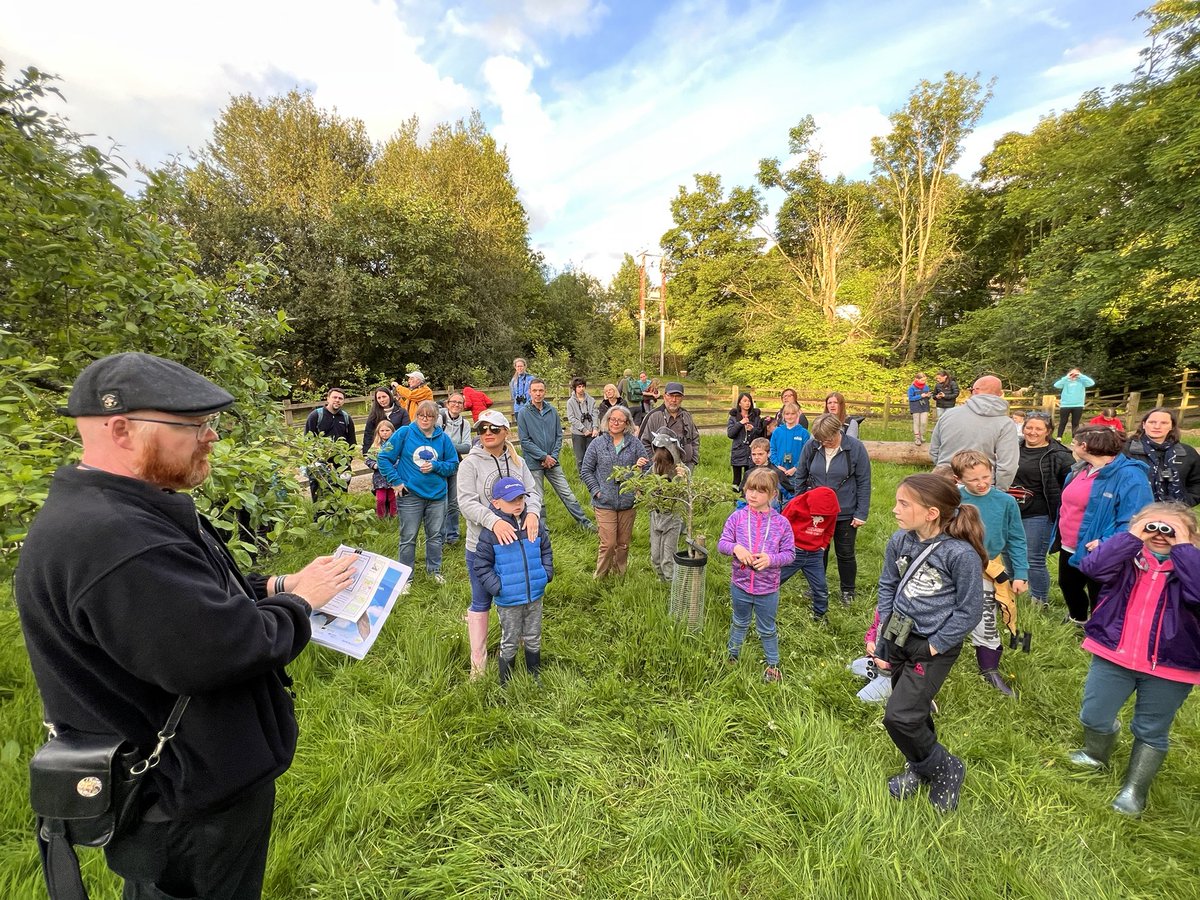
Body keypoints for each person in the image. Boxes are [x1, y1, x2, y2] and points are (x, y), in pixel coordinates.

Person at [14, 352, 357, 899]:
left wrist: (276, 586)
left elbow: (190, 601)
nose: (212, 437)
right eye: (194, 426)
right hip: (183, 802)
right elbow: (219, 649)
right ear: (122, 430)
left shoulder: (127, 508)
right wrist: (301, 606)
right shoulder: (114, 539)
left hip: (186, 791)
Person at [1068, 502, 1200, 816]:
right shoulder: (1129, 558)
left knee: (1151, 729)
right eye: (1151, 527)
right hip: (1113, 654)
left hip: (1171, 666)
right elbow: (1091, 568)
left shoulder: (1192, 566)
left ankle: (1133, 791)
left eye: (1170, 530)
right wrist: (1131, 537)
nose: (1159, 535)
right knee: (1093, 715)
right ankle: (1095, 754)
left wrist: (1182, 549)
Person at [877, 473, 987, 813]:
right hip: (899, 638)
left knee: (899, 717)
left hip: (933, 647)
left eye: (903, 503)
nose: (895, 509)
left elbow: (969, 611)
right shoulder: (900, 540)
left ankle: (945, 769)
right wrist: (885, 630)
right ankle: (919, 765)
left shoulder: (959, 555)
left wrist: (935, 646)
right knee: (914, 709)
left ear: (931, 513)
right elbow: (887, 585)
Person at [456, 410, 541, 678]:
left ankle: (521, 648)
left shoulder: (518, 462)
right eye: (482, 429)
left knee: (518, 599)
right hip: (483, 546)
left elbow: (534, 492)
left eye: (494, 428)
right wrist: (493, 521)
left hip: (518, 547)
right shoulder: (470, 464)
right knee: (481, 601)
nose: (488, 433)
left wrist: (533, 513)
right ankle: (478, 665)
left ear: (506, 431)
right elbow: (466, 502)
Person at [1054, 425, 1154, 624]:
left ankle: (1100, 631)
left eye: (1074, 442)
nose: (1071, 445)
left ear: (1085, 446)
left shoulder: (1131, 476)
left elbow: (1137, 517)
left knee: (1099, 592)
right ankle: (1078, 618)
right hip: (1071, 543)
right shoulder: (1080, 469)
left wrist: (1107, 542)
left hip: (1102, 548)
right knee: (1068, 585)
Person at [952, 450, 1029, 697]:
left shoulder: (1005, 502)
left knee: (986, 615)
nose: (982, 483)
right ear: (959, 478)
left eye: (986, 476)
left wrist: (1020, 573)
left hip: (988, 569)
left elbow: (1016, 538)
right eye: (974, 479)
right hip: (954, 565)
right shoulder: (953, 499)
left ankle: (989, 669)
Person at [471, 477, 553, 686]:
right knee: (510, 639)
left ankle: (534, 674)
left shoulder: (533, 524)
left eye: (520, 499)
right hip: (508, 600)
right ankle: (505, 681)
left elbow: (546, 549)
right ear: (496, 503)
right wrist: (498, 588)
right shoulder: (491, 534)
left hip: (535, 594)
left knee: (533, 635)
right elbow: (481, 565)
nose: (518, 504)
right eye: (511, 500)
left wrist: (546, 573)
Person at [719, 468, 796, 683]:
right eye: (750, 489)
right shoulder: (737, 518)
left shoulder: (782, 524)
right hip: (740, 585)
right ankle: (732, 656)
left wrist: (771, 560)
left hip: (768, 588)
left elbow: (790, 554)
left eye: (760, 491)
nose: (753, 495)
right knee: (739, 621)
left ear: (773, 495)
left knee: (767, 628)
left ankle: (773, 665)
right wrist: (736, 548)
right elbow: (722, 543)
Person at [377, 400, 459, 589]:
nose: (425, 419)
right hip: (410, 495)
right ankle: (406, 578)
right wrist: (396, 481)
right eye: (421, 415)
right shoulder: (404, 433)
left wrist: (436, 466)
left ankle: (434, 571)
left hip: (437, 496)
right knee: (408, 536)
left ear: (436, 418)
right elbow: (384, 457)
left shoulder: (443, 438)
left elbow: (453, 464)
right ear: (416, 416)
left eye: (429, 416)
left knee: (435, 535)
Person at [793, 413, 871, 606]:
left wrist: (861, 513)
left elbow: (864, 482)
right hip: (818, 513)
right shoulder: (811, 447)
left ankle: (848, 590)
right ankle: (817, 588)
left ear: (839, 431)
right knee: (818, 552)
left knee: (845, 552)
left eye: (828, 439)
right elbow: (800, 477)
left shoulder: (855, 448)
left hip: (845, 511)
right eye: (820, 440)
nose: (824, 443)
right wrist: (800, 506)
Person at [1009, 411, 1074, 610]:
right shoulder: (1011, 447)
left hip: (1039, 513)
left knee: (1033, 558)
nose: (1033, 432)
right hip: (1010, 510)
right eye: (1029, 427)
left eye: (1039, 428)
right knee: (1009, 554)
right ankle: (1013, 594)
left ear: (1048, 431)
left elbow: (1070, 484)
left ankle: (1039, 601)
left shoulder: (1060, 455)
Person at [581, 406, 650, 578]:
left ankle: (619, 575)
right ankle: (600, 576)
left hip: (628, 502)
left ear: (627, 423)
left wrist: (640, 470)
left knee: (623, 543)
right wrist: (597, 491)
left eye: (620, 420)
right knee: (609, 543)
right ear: (607, 420)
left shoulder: (634, 444)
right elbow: (586, 470)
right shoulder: (598, 443)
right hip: (604, 502)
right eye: (612, 419)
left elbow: (648, 469)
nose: (616, 422)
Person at [517, 378, 595, 531]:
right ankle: (542, 529)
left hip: (553, 461)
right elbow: (524, 441)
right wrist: (543, 457)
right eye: (535, 391)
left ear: (545, 392)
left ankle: (585, 523)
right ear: (529, 392)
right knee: (537, 498)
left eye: (541, 390)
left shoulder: (551, 411)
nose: (538, 394)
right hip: (534, 463)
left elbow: (559, 435)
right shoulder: (524, 413)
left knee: (568, 494)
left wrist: (552, 456)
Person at [929, 375, 1020, 490]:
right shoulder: (1006, 423)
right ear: (1000, 394)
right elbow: (1008, 465)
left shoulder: (949, 414)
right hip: (981, 488)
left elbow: (934, 451)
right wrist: (999, 491)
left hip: (944, 484)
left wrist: (946, 470)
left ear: (975, 391)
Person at [779, 486, 839, 621]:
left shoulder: (832, 510)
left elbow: (829, 530)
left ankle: (819, 615)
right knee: (774, 580)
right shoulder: (797, 503)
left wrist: (823, 546)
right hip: (794, 551)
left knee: (820, 587)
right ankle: (760, 604)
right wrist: (783, 545)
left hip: (815, 555)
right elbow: (782, 524)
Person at [1123, 407, 1200, 506]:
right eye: (1152, 422)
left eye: (1164, 423)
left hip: (1175, 512)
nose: (1157, 426)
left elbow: (1197, 482)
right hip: (1133, 511)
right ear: (1144, 424)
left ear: (1172, 426)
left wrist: (1185, 502)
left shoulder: (1187, 452)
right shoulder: (1125, 450)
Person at [303, 387, 356, 505]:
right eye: (334, 397)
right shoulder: (316, 416)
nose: (337, 400)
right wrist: (313, 461)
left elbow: (352, 442)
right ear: (328, 398)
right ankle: (320, 520)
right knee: (320, 494)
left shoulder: (346, 418)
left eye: (340, 398)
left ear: (343, 401)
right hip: (319, 462)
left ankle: (341, 518)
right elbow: (308, 440)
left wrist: (347, 462)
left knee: (341, 493)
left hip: (340, 463)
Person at [647, 430, 688, 582]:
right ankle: (660, 579)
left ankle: (671, 581)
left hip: (672, 517)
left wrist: (683, 479)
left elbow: (688, 492)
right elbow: (644, 485)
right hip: (656, 516)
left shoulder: (681, 471)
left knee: (668, 555)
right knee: (656, 555)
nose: (662, 465)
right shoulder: (654, 468)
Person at [439, 392, 473, 544]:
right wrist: (454, 446)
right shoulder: (440, 419)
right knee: (439, 500)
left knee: (453, 501)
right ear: (447, 403)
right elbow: (432, 439)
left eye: (460, 403)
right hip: (438, 464)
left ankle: (452, 535)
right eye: (453, 402)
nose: (456, 405)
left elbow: (467, 447)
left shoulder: (465, 424)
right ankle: (438, 534)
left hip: (454, 464)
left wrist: (446, 445)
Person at [639, 381, 700, 467]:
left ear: (682, 398)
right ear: (664, 397)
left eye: (677, 396)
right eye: (670, 396)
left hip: (684, 467)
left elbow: (695, 439)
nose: (674, 400)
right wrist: (654, 464)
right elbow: (643, 442)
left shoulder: (686, 415)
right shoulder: (653, 416)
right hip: (660, 469)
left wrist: (693, 461)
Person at [769, 402, 809, 499]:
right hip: (779, 472)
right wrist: (778, 466)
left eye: (792, 414)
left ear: (797, 414)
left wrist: (795, 468)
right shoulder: (777, 432)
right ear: (783, 415)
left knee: (792, 500)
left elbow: (806, 455)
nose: (790, 416)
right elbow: (772, 450)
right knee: (776, 499)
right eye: (787, 414)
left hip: (796, 473)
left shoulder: (804, 433)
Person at [726, 390, 766, 487]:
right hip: (738, 451)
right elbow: (730, 434)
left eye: (749, 401)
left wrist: (753, 429)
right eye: (744, 401)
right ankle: (734, 499)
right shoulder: (734, 417)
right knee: (736, 480)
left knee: (750, 479)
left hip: (752, 452)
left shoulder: (756, 417)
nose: (747, 403)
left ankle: (747, 500)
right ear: (739, 403)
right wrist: (740, 423)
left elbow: (760, 434)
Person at [361, 386, 410, 456]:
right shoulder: (374, 414)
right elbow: (368, 433)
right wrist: (367, 453)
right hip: (379, 450)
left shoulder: (401, 412)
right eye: (379, 398)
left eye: (384, 397)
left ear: (390, 396)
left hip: (398, 449)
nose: (382, 400)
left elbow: (406, 431)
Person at [566, 377, 600, 476]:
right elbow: (571, 418)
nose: (581, 389)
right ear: (575, 388)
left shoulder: (591, 400)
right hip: (578, 434)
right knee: (580, 457)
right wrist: (583, 429)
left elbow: (595, 414)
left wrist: (595, 428)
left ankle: (593, 477)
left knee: (591, 457)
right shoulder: (570, 402)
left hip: (591, 433)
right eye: (579, 387)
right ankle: (582, 478)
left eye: (583, 386)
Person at [364, 419, 398, 518]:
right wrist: (375, 465)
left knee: (393, 498)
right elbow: (368, 460)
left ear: (392, 431)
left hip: (393, 476)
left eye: (387, 430)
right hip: (380, 478)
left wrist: (393, 465)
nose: (385, 433)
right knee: (381, 499)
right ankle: (381, 516)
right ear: (378, 432)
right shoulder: (375, 447)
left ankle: (394, 515)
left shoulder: (396, 445)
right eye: (382, 431)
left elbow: (400, 459)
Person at [1054, 367, 1095, 438]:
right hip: (1065, 405)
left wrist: (1081, 375)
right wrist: (1066, 377)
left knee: (1075, 423)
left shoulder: (1082, 381)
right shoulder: (1065, 381)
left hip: (1078, 405)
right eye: (1072, 373)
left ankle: (1074, 438)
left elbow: (1092, 383)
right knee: (1063, 422)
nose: (1074, 375)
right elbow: (1056, 385)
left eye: (1076, 373)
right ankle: (1059, 437)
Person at [908, 373, 932, 446]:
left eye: (925, 380)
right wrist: (920, 396)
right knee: (916, 422)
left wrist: (928, 396)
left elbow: (929, 396)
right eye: (922, 380)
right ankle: (917, 437)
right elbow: (911, 398)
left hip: (924, 406)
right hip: (915, 406)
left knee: (924, 422)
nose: (924, 382)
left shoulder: (926, 387)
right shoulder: (912, 388)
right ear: (917, 379)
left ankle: (922, 435)